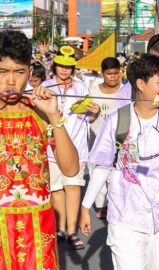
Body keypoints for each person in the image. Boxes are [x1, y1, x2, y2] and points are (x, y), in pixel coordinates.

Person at [80, 54, 159, 270]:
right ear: (140, 84)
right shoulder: (117, 120)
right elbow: (103, 166)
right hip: (125, 218)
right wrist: (85, 205)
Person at [0, 30, 79, 269]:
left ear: (30, 72)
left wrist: (54, 115)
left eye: (19, 72)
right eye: (3, 72)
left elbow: (71, 168)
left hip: (37, 230)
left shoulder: (40, 111)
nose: (11, 82)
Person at [42, 45, 100, 250]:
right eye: (60, 66)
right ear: (55, 66)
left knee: (73, 187)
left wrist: (95, 111)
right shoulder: (46, 85)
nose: (64, 71)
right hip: (52, 147)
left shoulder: (82, 87)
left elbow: (90, 117)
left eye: (68, 67)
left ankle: (72, 231)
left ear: (73, 69)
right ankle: (61, 228)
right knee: (56, 189)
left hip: (77, 147)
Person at [88, 57, 122, 219]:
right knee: (97, 173)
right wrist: (93, 115)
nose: (113, 77)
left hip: (120, 141)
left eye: (116, 73)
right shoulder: (93, 91)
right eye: (110, 74)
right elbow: (86, 118)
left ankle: (116, 204)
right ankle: (101, 205)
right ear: (103, 74)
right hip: (97, 140)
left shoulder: (126, 91)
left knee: (117, 176)